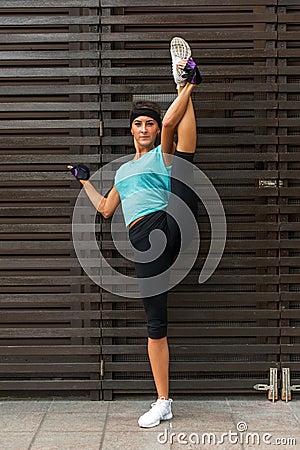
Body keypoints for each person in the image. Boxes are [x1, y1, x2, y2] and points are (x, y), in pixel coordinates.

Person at [68, 37, 202, 428]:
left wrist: (188, 88)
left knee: (182, 162)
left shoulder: (164, 150)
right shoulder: (123, 172)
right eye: (139, 124)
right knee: (154, 322)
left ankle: (188, 82)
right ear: (131, 131)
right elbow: (107, 210)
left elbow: (174, 128)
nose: (144, 128)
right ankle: (164, 401)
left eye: (150, 123)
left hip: (173, 223)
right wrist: (86, 183)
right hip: (145, 243)